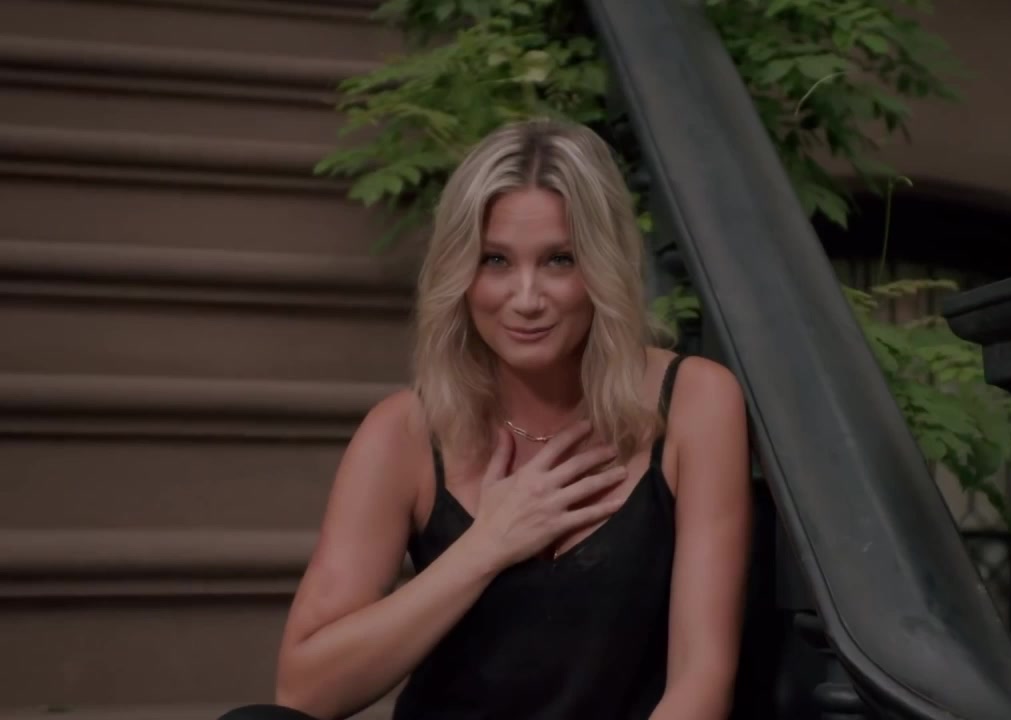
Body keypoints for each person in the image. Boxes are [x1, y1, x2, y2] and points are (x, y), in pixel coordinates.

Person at [219, 119, 752, 720]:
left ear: (602, 267)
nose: (525, 299)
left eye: (559, 260)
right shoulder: (404, 433)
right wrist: (485, 546)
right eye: (495, 260)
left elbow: (701, 682)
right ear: (461, 272)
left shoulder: (694, 403)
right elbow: (305, 691)